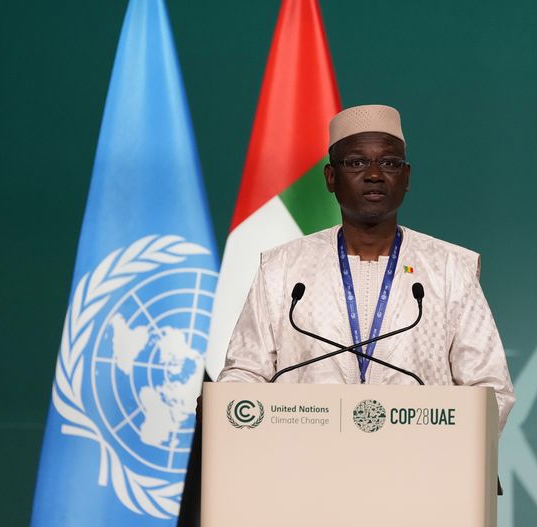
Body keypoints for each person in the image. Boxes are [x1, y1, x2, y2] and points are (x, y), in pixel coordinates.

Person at [216, 104, 515, 431]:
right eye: (357, 163)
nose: (374, 174)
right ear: (331, 178)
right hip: (305, 463)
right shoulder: (283, 268)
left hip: (420, 468)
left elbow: (490, 388)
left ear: (406, 177)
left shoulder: (450, 268)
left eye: (389, 163)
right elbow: (246, 371)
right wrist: (227, 403)